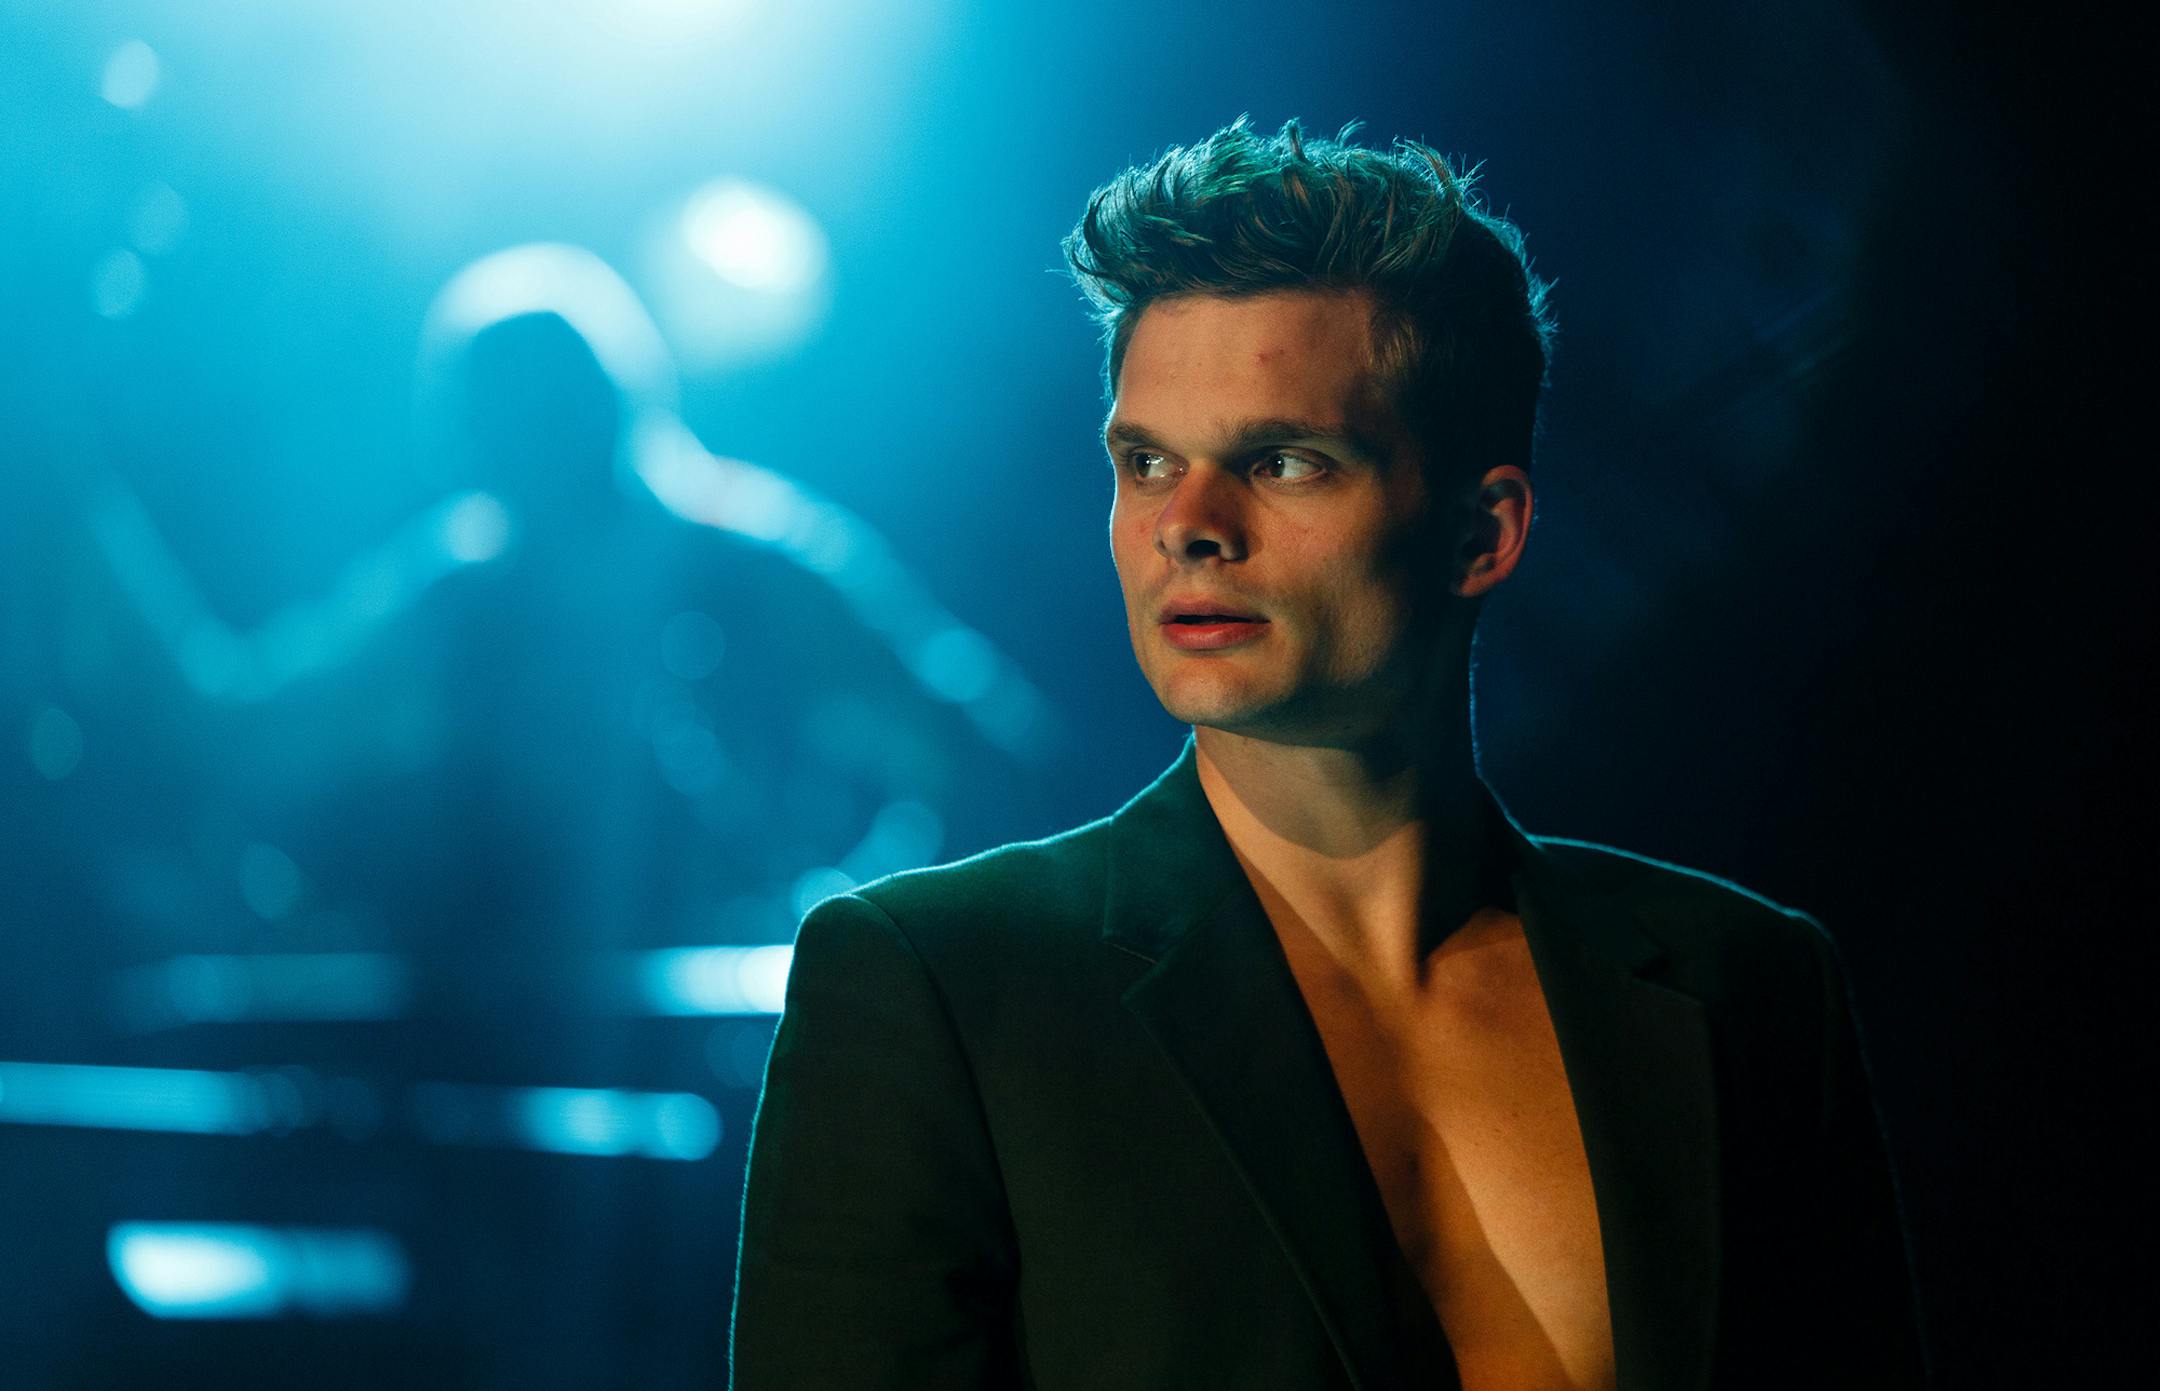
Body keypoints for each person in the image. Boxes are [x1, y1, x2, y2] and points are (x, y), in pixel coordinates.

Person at [729, 117, 1927, 1390]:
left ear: (1483, 531)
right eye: (1147, 461)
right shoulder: (939, 987)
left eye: (1283, 460)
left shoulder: (1750, 987)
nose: (1188, 525)